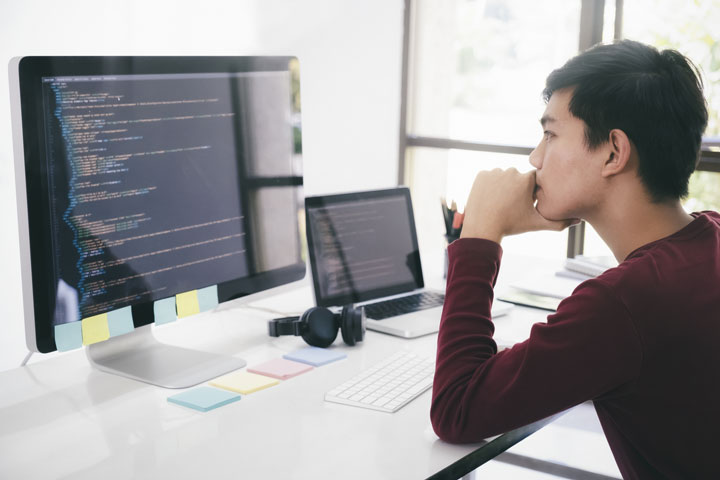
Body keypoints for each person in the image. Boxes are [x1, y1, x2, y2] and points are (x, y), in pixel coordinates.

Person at [430, 39, 719, 479]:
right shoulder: (709, 236)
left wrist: (481, 237)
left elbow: (456, 409)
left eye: (550, 134)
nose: (535, 157)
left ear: (613, 152)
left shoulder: (625, 302)